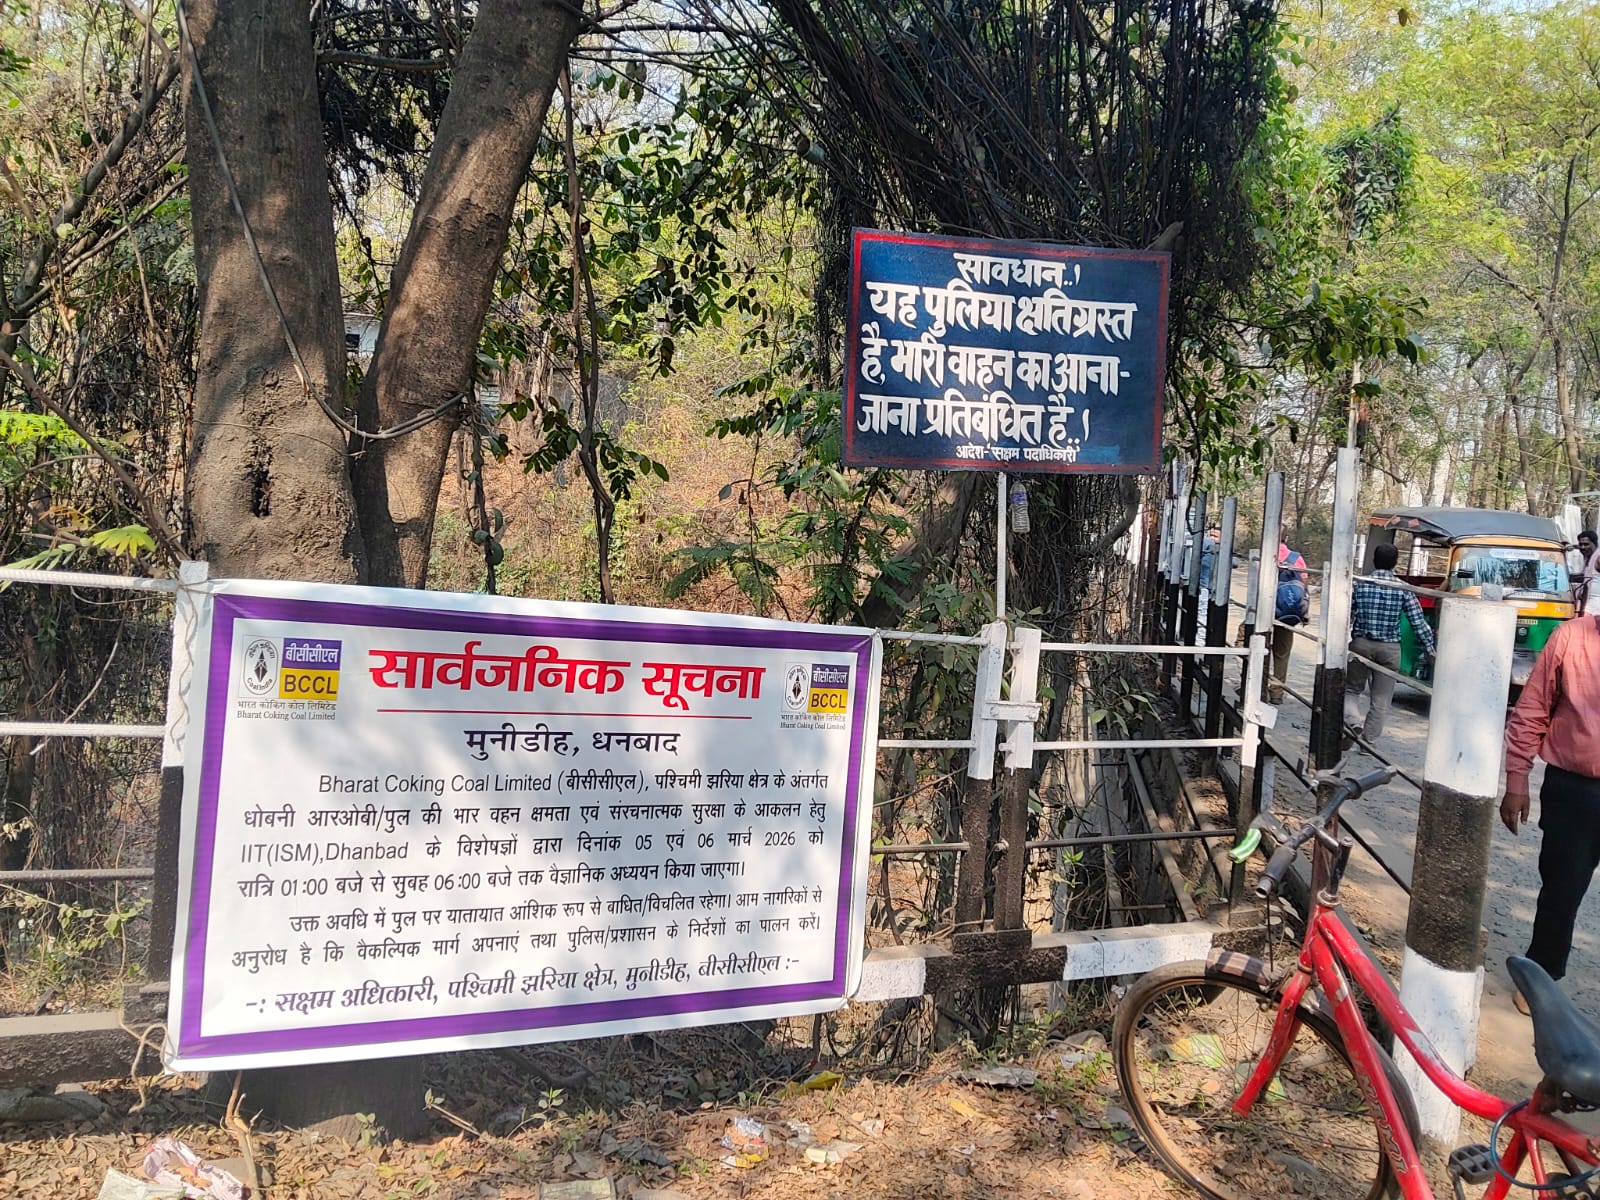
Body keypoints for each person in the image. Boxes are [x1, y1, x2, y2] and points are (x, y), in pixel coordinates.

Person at [1501, 609, 1600, 1014]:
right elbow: (1533, 709)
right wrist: (1516, 780)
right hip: (1576, 790)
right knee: (1561, 889)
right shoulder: (1571, 637)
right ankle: (1541, 976)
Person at [1344, 542, 1435, 742]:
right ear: (1395, 563)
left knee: (1351, 690)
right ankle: (1368, 742)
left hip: (1361, 644)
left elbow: (1346, 613)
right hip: (1390, 649)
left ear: (1374, 560)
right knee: (1381, 699)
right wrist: (1430, 648)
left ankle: (1353, 722)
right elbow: (1418, 622)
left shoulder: (1360, 584)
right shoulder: (1403, 588)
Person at [1267, 549, 1309, 704]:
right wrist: (1305, 612)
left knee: (1252, 644)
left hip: (1265, 610)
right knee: (1282, 653)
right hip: (1287, 614)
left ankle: (1255, 685)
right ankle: (1276, 693)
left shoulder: (1265, 552)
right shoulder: (1297, 558)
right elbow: (1304, 587)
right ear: (1287, 538)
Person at [1574, 529, 1599, 615]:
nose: (1583, 547)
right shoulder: (1588, 558)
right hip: (1587, 606)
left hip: (1595, 608)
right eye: (1580, 545)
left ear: (1594, 544)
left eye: (1586, 544)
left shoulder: (1598, 558)